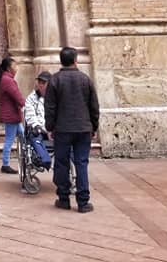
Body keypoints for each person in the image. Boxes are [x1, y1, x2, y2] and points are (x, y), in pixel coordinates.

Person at [44, 46, 99, 213]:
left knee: (62, 163)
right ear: (76, 60)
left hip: (63, 129)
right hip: (83, 129)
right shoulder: (85, 79)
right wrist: (94, 126)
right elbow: (94, 106)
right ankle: (83, 201)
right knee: (81, 163)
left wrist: (50, 127)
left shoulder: (54, 80)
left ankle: (64, 198)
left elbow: (50, 107)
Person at [0, 55, 25, 174]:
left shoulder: (5, 78)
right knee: (9, 140)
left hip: (12, 115)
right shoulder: (8, 80)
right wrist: (25, 104)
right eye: (14, 66)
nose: (16, 68)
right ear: (8, 68)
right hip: (11, 115)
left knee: (23, 135)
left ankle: (26, 157)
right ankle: (5, 164)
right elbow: (17, 95)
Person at [23, 71, 52, 169]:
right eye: (39, 82)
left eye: (43, 83)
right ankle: (44, 159)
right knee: (35, 135)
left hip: (52, 128)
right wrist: (39, 127)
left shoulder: (55, 98)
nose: (40, 85)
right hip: (38, 128)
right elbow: (30, 115)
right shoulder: (31, 98)